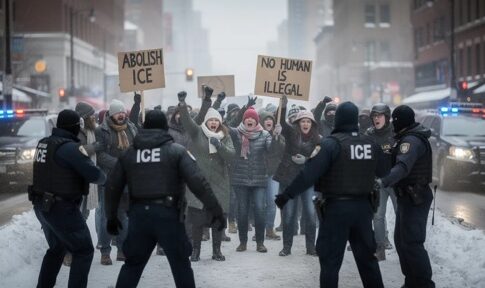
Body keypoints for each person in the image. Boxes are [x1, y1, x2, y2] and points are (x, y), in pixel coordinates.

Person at [105, 110, 225, 288]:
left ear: (144, 128)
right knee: (181, 266)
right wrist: (216, 211)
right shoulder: (176, 151)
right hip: (168, 216)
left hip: (139, 216)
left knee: (132, 265)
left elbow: (112, 186)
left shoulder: (130, 154)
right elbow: (199, 183)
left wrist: (111, 216)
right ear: (165, 128)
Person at [276, 102, 385, 288]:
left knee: (330, 264)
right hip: (363, 210)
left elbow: (308, 174)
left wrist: (286, 195)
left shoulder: (330, 145)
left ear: (338, 119)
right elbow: (384, 170)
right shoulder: (370, 144)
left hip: (336, 210)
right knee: (368, 262)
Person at [29, 109, 106, 288]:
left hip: (42, 206)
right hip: (61, 208)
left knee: (56, 249)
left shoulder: (44, 143)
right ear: (75, 127)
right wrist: (107, 179)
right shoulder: (70, 148)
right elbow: (95, 175)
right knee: (84, 251)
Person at [379, 105, 435, 288]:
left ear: (398, 121)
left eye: (394, 120)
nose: (392, 124)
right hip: (407, 196)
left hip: (415, 196)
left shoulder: (411, 141)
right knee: (401, 242)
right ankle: (411, 281)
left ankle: (425, 284)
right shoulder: (405, 137)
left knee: (412, 242)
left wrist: (383, 181)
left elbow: (403, 166)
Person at [177, 90, 235, 261]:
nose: (214, 123)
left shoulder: (225, 136)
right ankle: (195, 251)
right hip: (200, 184)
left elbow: (231, 155)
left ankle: (217, 251)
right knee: (197, 220)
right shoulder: (197, 133)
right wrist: (182, 105)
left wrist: (220, 146)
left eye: (217, 120)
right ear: (206, 121)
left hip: (220, 184)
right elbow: (187, 122)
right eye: (211, 120)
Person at [274, 96, 321, 256]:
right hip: (289, 180)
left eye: (308, 121)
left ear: (312, 124)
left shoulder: (318, 139)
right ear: (298, 123)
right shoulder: (290, 133)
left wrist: (307, 160)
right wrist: (283, 104)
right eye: (303, 121)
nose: (305, 124)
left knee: (310, 214)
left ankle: (311, 248)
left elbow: (321, 161)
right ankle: (286, 247)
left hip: (307, 181)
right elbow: (280, 118)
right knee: (288, 215)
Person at [95, 99, 137, 265]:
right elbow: (100, 154)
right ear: (111, 114)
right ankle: (105, 251)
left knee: (124, 217)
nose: (121, 115)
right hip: (109, 180)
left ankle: (122, 249)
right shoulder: (102, 131)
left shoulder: (131, 128)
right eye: (117, 112)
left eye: (122, 112)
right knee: (107, 217)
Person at [62, 102, 102, 267]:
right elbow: (78, 152)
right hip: (76, 182)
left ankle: (75, 249)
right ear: (84, 118)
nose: (94, 117)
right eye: (91, 115)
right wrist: (93, 148)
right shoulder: (76, 133)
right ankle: (68, 253)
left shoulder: (93, 131)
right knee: (74, 219)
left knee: (83, 216)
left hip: (87, 182)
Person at [231, 105, 273, 253]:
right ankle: (243, 242)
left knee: (260, 210)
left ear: (256, 121)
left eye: (252, 118)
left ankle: (260, 242)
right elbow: (229, 126)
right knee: (242, 211)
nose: (250, 120)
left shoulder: (265, 135)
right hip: (240, 179)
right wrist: (242, 110)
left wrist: (277, 137)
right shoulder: (236, 133)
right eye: (247, 118)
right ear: (244, 120)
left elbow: (272, 150)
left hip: (259, 179)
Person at [366, 103, 397, 261]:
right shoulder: (369, 134)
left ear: (387, 117)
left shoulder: (396, 133)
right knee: (377, 216)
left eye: (379, 116)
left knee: (401, 215)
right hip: (378, 181)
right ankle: (380, 248)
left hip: (395, 181)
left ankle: (404, 246)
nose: (376, 119)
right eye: (374, 116)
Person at [259, 110, 285, 240]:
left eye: (271, 120)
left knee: (271, 202)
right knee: (259, 203)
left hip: (273, 174)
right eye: (266, 119)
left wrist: (277, 136)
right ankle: (260, 230)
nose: (269, 121)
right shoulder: (257, 135)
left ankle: (269, 229)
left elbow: (280, 150)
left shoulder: (279, 137)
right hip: (259, 173)